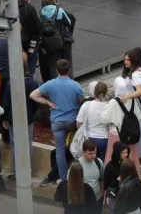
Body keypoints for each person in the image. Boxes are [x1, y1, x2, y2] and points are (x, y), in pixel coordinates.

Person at [31, 58, 86, 186]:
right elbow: (82, 101)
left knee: (60, 151)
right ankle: (75, 174)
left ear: (56, 70)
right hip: (72, 121)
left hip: (57, 121)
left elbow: (33, 95)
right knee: (75, 147)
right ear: (69, 70)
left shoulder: (50, 84)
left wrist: (48, 102)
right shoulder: (76, 85)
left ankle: (63, 177)